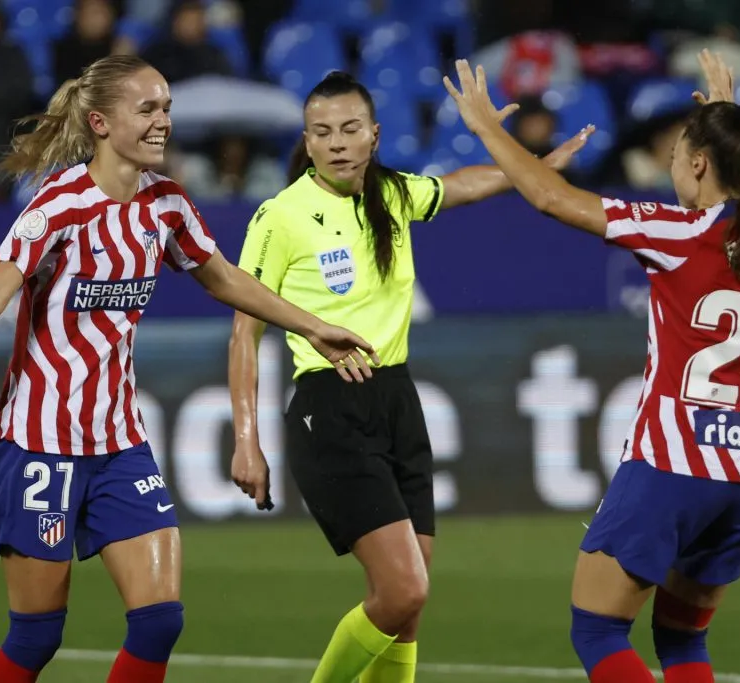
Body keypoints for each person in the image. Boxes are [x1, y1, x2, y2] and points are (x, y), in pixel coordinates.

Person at [0, 55, 379, 683]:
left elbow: (224, 279)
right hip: (39, 442)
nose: (162, 122)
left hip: (119, 440)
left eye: (167, 108)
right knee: (36, 637)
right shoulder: (59, 205)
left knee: (159, 621)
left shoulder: (166, 205)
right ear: (99, 122)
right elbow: (0, 285)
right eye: (147, 109)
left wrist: (312, 325)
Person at [444, 50, 740, 683]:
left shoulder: (680, 234)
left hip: (674, 465)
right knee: (682, 642)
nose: (671, 169)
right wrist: (727, 118)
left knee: (598, 629)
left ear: (699, 162)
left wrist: (486, 128)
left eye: (677, 158)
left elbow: (552, 198)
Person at [226, 70, 593, 683]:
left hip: (397, 400)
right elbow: (245, 331)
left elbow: (459, 188)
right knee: (401, 592)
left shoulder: (392, 193)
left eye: (349, 129)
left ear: (373, 134)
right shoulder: (280, 216)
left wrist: (533, 168)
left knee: (409, 609)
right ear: (308, 142)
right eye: (322, 132)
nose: (338, 143)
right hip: (330, 407)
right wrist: (245, 440)